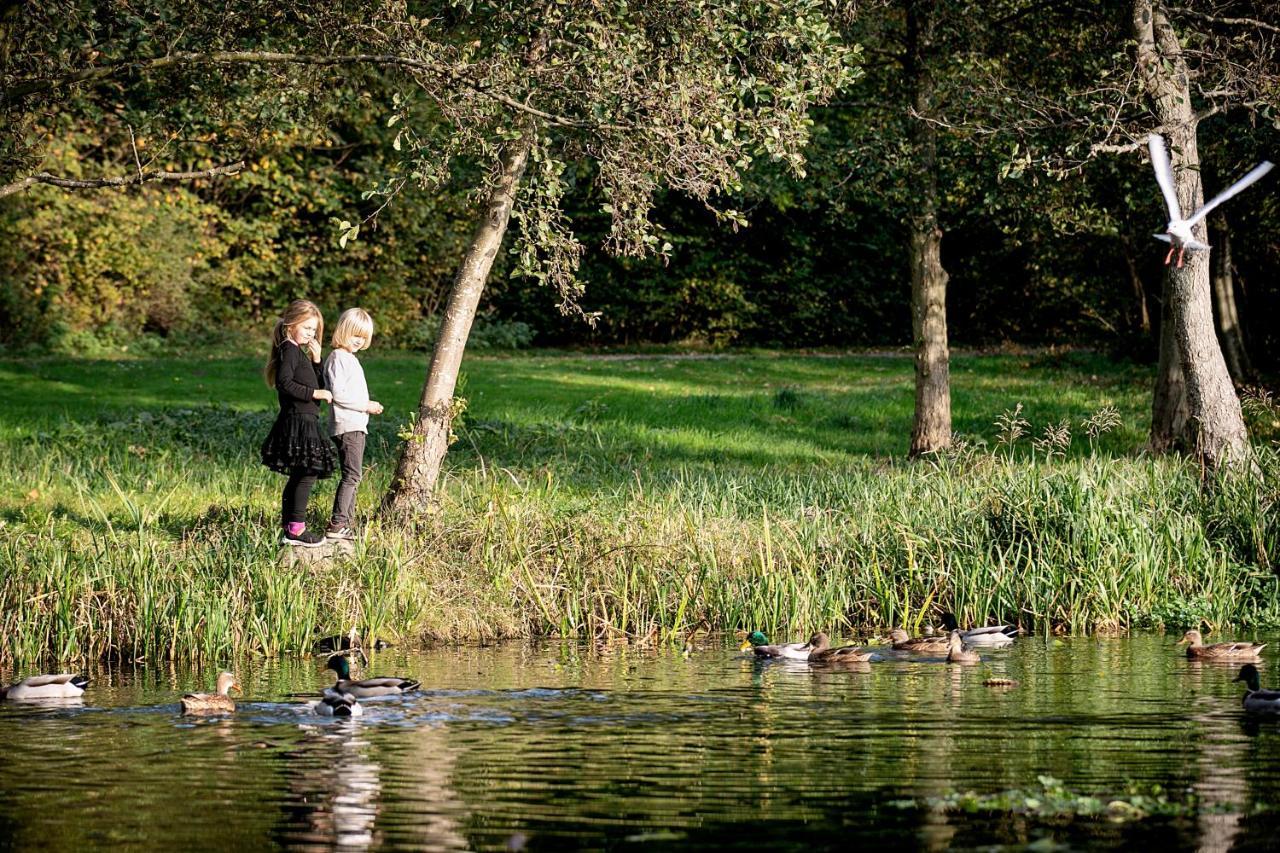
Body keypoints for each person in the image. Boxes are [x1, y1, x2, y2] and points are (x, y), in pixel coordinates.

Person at [260, 300, 336, 547]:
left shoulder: (297, 352)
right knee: (306, 473)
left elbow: (315, 383)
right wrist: (314, 395)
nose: (311, 334)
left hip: (305, 419)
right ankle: (296, 528)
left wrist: (316, 361)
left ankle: (290, 527)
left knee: (300, 474)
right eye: (306, 328)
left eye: (314, 330)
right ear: (290, 325)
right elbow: (285, 384)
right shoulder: (289, 350)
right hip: (298, 421)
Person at [322, 308, 383, 540]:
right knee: (352, 476)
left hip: (355, 425)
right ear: (343, 331)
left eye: (363, 337)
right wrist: (366, 405)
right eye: (355, 334)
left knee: (353, 475)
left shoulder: (349, 358)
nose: (359, 340)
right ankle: (338, 523)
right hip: (348, 425)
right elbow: (338, 394)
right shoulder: (338, 357)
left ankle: (347, 522)